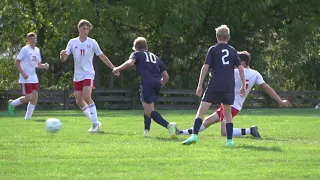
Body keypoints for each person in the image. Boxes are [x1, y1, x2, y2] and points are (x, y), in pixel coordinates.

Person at [180, 51, 291, 137]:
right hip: (236, 106)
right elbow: (267, 88)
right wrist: (280, 101)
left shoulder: (234, 72)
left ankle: (249, 130)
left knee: (224, 132)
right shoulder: (255, 74)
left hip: (230, 104)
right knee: (208, 121)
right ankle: (182, 132)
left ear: (242, 62)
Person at [182, 25, 246, 146]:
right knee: (228, 115)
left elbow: (205, 67)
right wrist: (243, 85)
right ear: (229, 37)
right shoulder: (232, 51)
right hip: (228, 86)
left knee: (201, 111)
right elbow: (241, 68)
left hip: (214, 85)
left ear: (217, 37)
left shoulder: (213, 49)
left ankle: (194, 135)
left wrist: (199, 84)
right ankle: (229, 141)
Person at [60, 19, 119, 133]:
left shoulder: (92, 42)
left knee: (87, 97)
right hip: (77, 75)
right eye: (84, 29)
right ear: (79, 29)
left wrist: (113, 68)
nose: (86, 31)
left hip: (88, 73)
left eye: (87, 29)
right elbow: (64, 59)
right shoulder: (72, 42)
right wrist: (62, 55)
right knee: (79, 100)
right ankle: (95, 121)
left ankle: (95, 123)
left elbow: (102, 56)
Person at [112, 37, 178, 138]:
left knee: (149, 111)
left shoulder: (137, 54)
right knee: (147, 109)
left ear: (135, 48)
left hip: (147, 83)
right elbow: (166, 76)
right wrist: (159, 84)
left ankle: (169, 126)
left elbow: (130, 63)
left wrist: (117, 68)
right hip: (156, 83)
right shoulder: (156, 57)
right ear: (146, 47)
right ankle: (146, 132)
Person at [8, 32, 50, 120]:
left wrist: (44, 66)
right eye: (31, 39)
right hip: (26, 78)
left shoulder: (37, 50)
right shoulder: (25, 49)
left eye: (34, 38)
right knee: (28, 97)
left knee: (34, 98)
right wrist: (23, 73)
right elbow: (17, 62)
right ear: (28, 40)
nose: (33, 40)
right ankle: (12, 104)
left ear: (36, 39)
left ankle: (27, 118)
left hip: (34, 77)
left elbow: (37, 64)